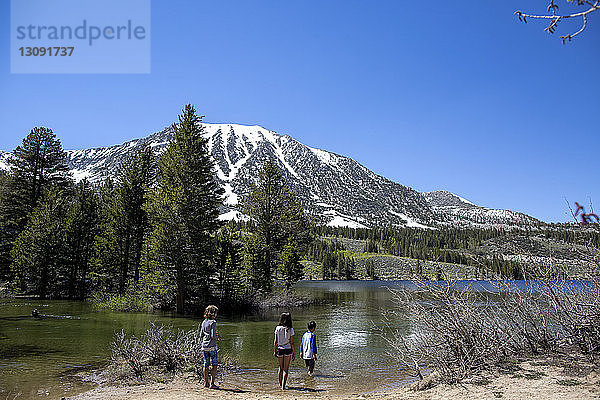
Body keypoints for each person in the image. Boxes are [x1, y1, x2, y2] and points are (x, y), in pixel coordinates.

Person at [273, 312, 295, 390]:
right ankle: (283, 386)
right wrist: (294, 353)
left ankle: (280, 384)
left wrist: (274, 351)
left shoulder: (278, 328)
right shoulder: (290, 329)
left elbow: (275, 341)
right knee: (286, 369)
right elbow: (292, 342)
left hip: (280, 349)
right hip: (288, 349)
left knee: (280, 368)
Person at [200, 305, 220, 389]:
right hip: (212, 346)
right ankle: (212, 384)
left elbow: (201, 335)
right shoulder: (213, 322)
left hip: (204, 346)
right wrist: (217, 337)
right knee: (215, 364)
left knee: (206, 364)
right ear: (214, 313)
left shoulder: (204, 322)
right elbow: (212, 335)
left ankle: (206, 382)